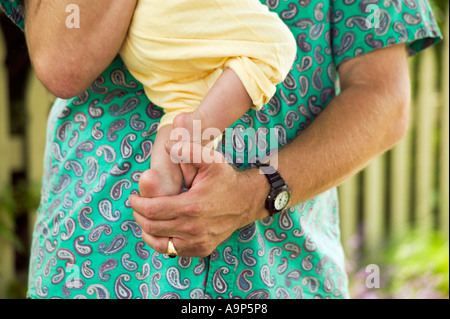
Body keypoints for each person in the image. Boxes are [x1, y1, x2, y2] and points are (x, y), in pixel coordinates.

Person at [1, 0, 441, 299]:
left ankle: (182, 140)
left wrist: (256, 193)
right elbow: (63, 61)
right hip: (98, 260)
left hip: (277, 270)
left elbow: (382, 98)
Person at [119, 0, 297, 197]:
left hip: (139, 35)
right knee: (276, 44)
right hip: (167, 13)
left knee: (188, 101)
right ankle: (199, 126)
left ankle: (162, 177)